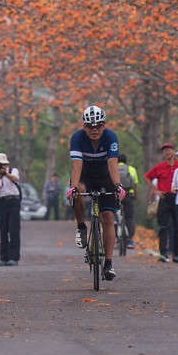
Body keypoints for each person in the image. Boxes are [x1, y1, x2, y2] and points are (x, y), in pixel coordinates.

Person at [65, 105, 125, 282]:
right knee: (79, 191)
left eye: (98, 126)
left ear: (104, 125)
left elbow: (113, 165)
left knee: (108, 218)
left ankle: (108, 263)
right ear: (84, 127)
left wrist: (117, 185)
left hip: (105, 177)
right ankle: (81, 226)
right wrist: (73, 187)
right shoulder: (77, 138)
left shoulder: (111, 137)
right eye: (90, 126)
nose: (94, 129)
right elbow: (76, 167)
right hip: (85, 176)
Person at [145, 142, 178, 261]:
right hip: (164, 198)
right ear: (163, 154)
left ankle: (176, 253)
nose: (167, 152)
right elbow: (147, 176)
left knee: (176, 225)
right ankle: (163, 253)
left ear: (174, 151)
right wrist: (155, 190)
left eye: (169, 149)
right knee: (163, 226)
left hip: (176, 197)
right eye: (164, 150)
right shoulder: (160, 166)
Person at [0, 152, 22, 266]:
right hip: (1, 204)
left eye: (2, 164)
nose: (1, 166)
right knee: (3, 230)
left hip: (13, 201)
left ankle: (14, 258)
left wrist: (5, 173)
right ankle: (4, 258)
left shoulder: (13, 171)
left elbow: (15, 179)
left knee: (13, 230)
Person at [117, 153, 138, 249]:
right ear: (126, 161)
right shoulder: (132, 169)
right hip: (128, 195)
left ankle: (116, 237)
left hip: (116, 195)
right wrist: (135, 196)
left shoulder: (113, 169)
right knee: (129, 217)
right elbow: (135, 185)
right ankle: (130, 240)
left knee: (114, 217)